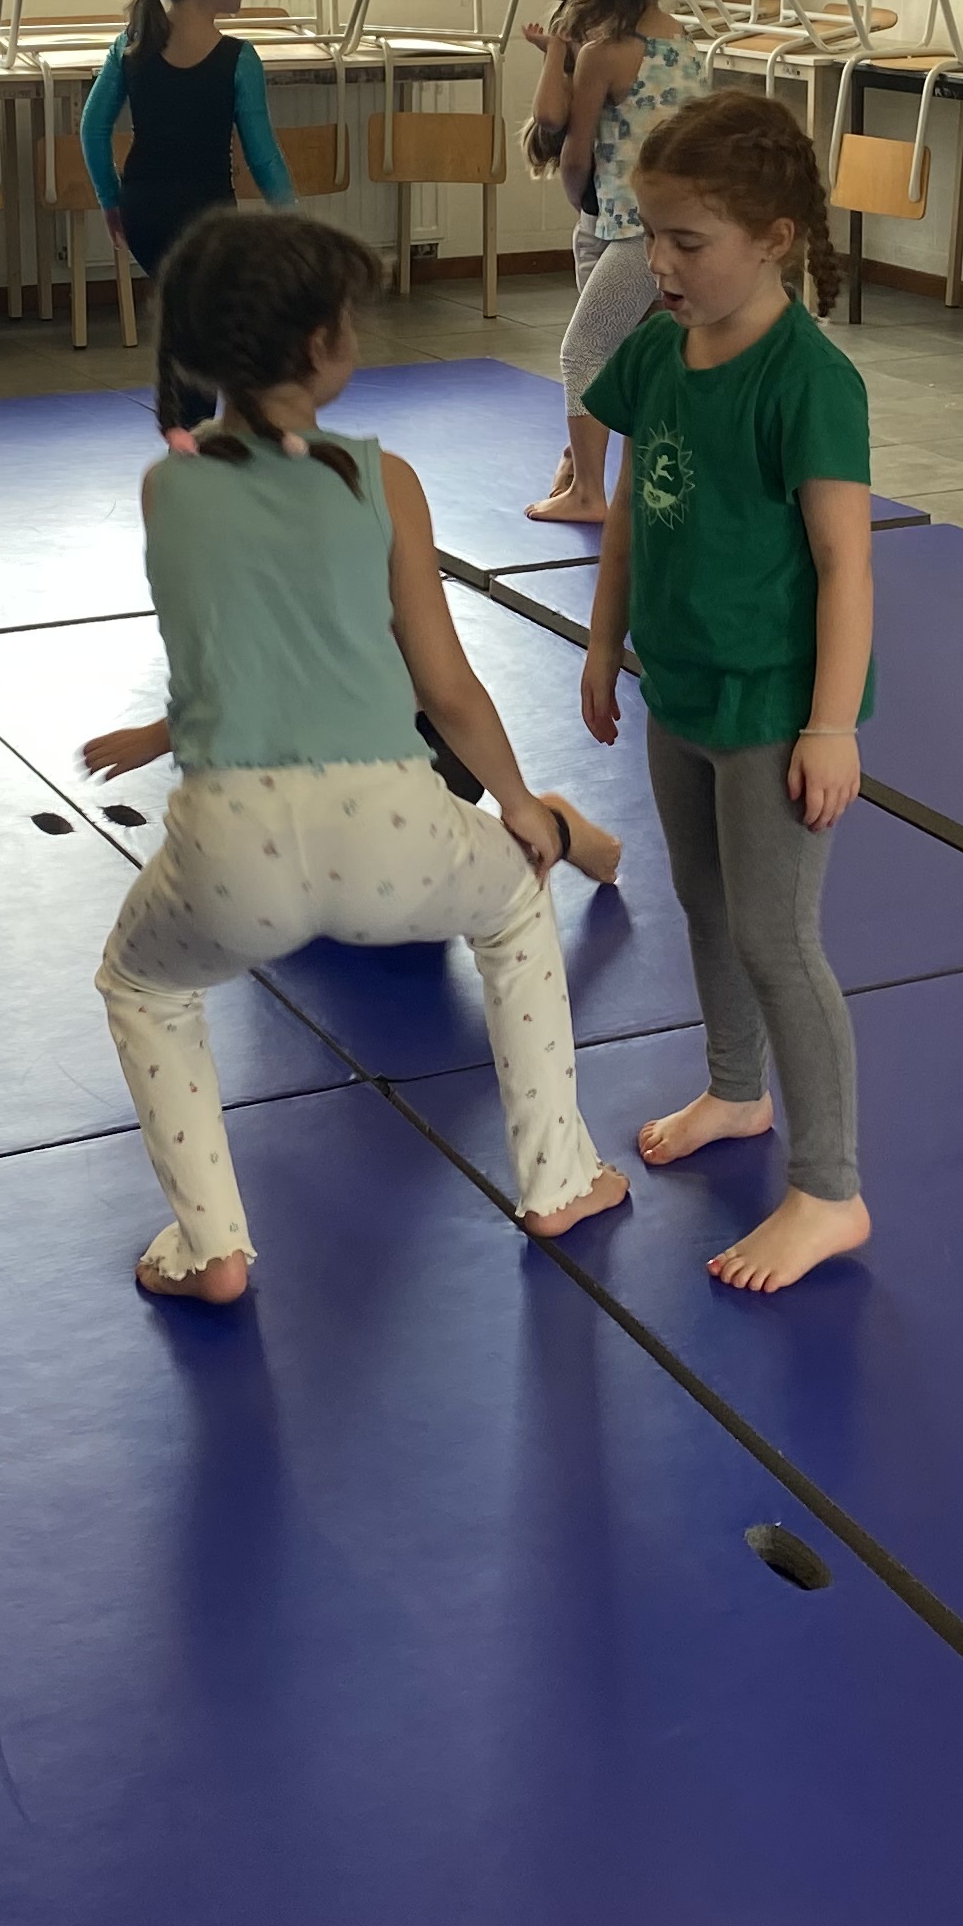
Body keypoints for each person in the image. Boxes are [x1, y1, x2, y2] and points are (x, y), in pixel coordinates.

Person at [85, 210, 627, 1301]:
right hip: (392, 832)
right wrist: (519, 804)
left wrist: (159, 735)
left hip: (228, 850)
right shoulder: (384, 481)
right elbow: (444, 687)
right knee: (515, 910)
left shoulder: (166, 487)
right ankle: (558, 1179)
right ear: (322, 345)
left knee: (141, 984)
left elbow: (233, 656)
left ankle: (213, 1246)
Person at [578, 91, 878, 1293]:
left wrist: (830, 725)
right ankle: (736, 1089)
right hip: (680, 688)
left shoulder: (809, 381)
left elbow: (845, 565)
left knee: (775, 937)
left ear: (774, 239)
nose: (659, 262)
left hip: (769, 709)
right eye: (650, 234)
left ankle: (830, 1190)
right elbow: (626, 515)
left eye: (686, 241)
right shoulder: (658, 350)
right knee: (703, 903)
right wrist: (604, 642)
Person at [522, 0, 705, 526]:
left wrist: (582, 202)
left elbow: (575, 152)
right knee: (641, 354)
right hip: (673, 230)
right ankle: (619, 474)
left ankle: (587, 492)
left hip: (625, 229)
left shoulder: (605, 54)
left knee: (585, 351)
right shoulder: (685, 44)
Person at [78, 0, 295, 284]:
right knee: (209, 311)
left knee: (177, 303)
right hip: (209, 223)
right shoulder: (240, 60)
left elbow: (92, 130)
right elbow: (263, 158)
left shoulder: (129, 46)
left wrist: (111, 202)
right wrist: (294, 220)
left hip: (142, 216)